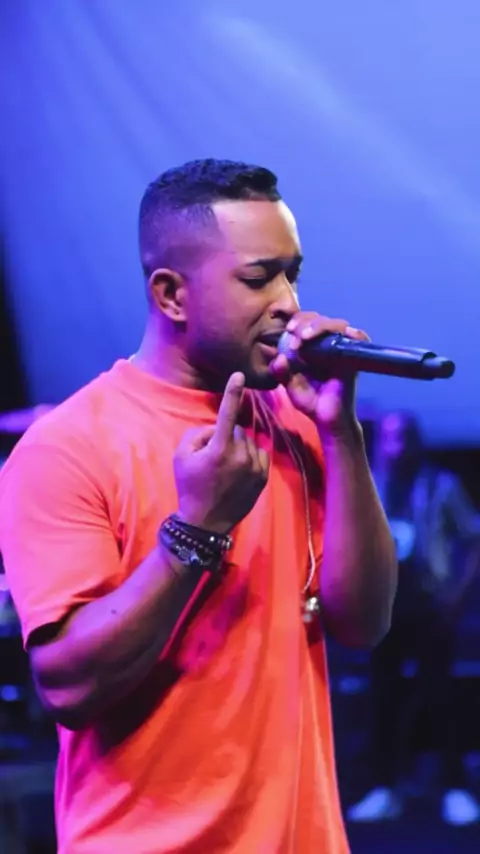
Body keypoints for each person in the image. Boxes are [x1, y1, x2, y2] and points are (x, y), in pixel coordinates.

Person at [0, 159, 397, 854]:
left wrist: (341, 433)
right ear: (172, 295)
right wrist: (197, 528)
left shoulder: (295, 420)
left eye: (292, 274)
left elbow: (364, 622)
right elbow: (67, 689)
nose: (288, 302)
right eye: (258, 277)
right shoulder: (67, 446)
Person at [348, 411, 480, 826]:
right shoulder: (370, 482)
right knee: (382, 698)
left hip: (430, 605)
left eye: (404, 436)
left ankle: (454, 787)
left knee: (440, 697)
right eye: (389, 437)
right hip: (383, 606)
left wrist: (456, 596)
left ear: (417, 440)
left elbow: (474, 539)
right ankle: (384, 788)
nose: (397, 444)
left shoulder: (441, 484)